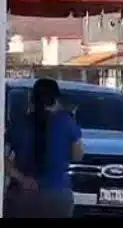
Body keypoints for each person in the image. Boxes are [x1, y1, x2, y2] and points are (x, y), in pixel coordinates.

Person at [7, 78, 84, 218]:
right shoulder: (66, 122)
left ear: (32, 99)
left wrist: (22, 179)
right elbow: (77, 156)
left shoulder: (19, 124)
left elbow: (4, 160)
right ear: (56, 100)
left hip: (22, 194)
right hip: (57, 194)